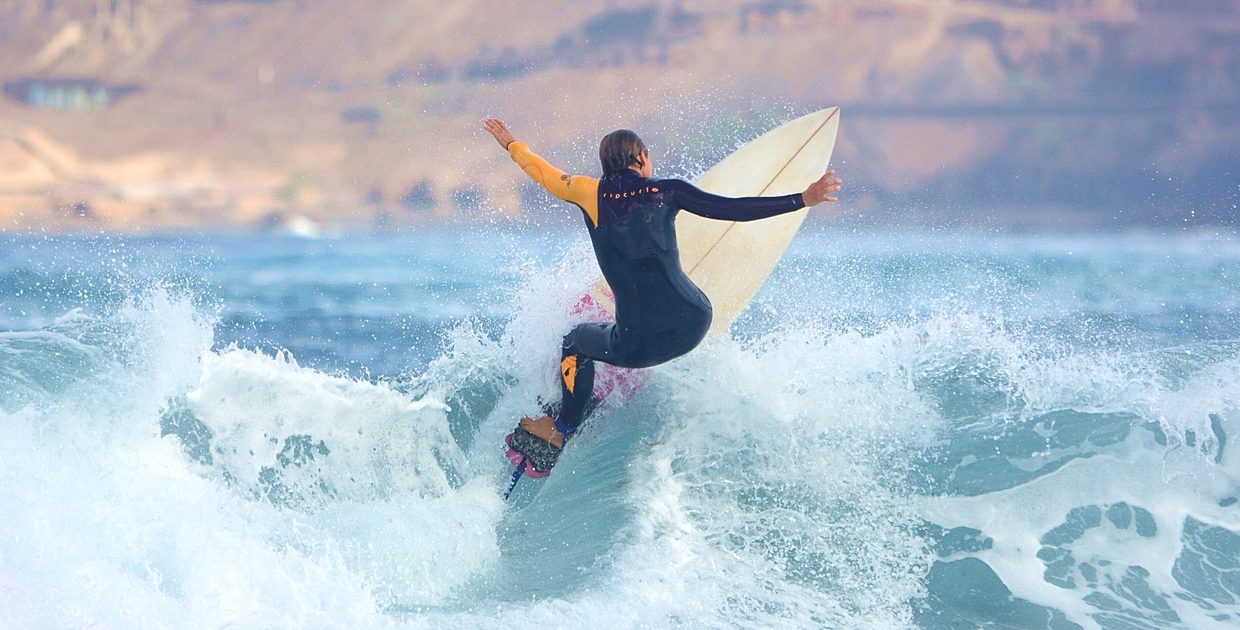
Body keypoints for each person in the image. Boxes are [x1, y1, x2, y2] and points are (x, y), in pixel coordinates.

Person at [483, 117, 842, 476]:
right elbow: (734, 210)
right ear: (641, 158)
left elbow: (543, 173)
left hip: (637, 347)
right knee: (673, 271)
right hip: (695, 322)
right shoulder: (666, 191)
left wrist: (512, 145)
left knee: (574, 342)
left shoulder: (586, 192)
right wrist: (803, 199)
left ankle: (564, 426)